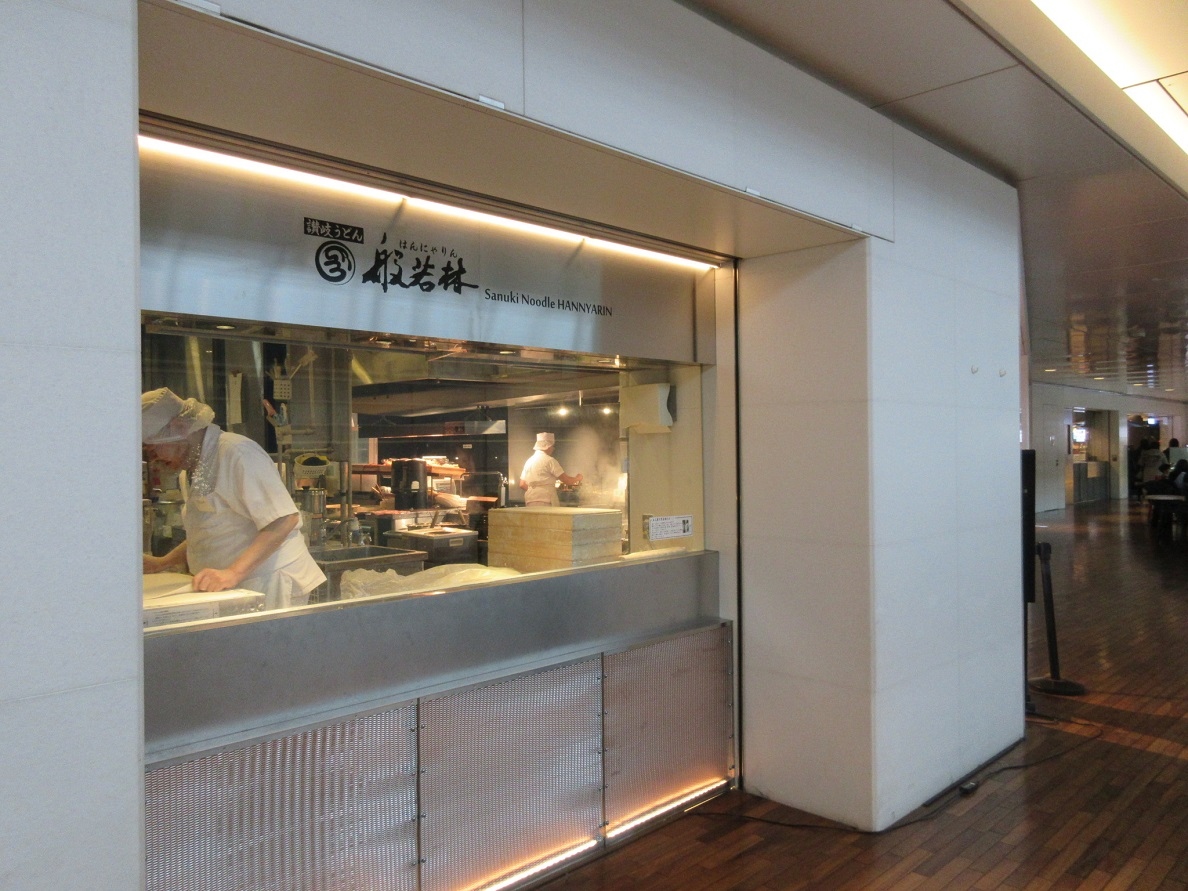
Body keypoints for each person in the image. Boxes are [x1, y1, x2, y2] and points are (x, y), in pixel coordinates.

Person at [141, 388, 325, 608]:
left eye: (154, 448)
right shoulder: (190, 469)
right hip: (236, 586)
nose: (154, 459)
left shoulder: (237, 452)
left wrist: (232, 573)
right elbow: (211, 531)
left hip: (271, 582)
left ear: (180, 428)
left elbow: (284, 519)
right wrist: (163, 563)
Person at [518, 432, 582, 506]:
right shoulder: (550, 460)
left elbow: (522, 484)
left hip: (530, 500)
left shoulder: (528, 462)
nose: (553, 449)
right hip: (546, 500)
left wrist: (536, 491)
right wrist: (578, 478)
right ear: (547, 446)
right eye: (552, 446)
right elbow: (567, 480)